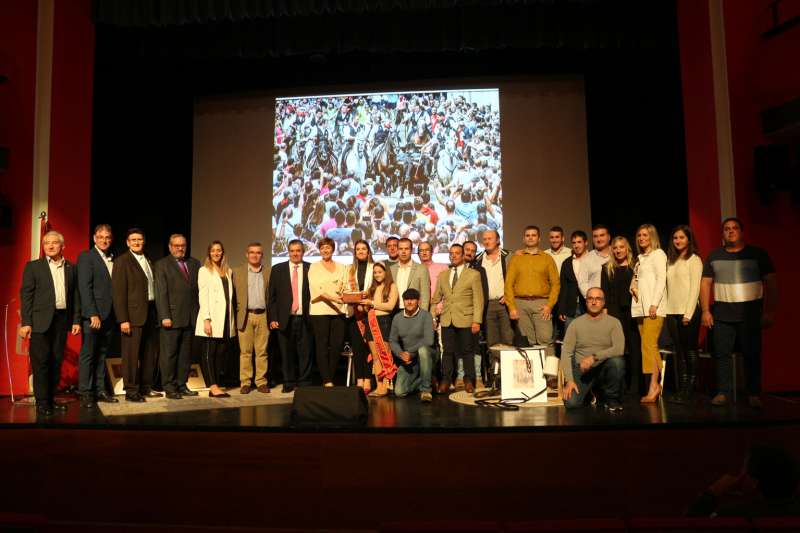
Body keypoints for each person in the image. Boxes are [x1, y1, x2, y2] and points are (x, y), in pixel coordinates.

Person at [701, 217, 776, 408]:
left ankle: (753, 393)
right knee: (721, 354)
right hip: (722, 316)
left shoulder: (757, 254)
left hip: (750, 315)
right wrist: (705, 311)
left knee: (752, 354)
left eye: (735, 228)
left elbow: (771, 283)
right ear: (723, 233)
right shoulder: (714, 256)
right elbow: (706, 283)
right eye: (726, 229)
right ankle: (723, 392)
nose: (731, 231)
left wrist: (769, 311)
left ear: (741, 232)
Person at [19, 231, 81, 416]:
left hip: (61, 320)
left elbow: (75, 296)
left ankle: (51, 399)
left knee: (56, 361)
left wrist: (76, 320)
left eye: (54, 243)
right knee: (41, 362)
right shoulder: (33, 267)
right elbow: (26, 296)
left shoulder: (71, 267)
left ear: (63, 246)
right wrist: (26, 322)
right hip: (39, 321)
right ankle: (42, 403)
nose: (50, 246)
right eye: (47, 243)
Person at [112, 228, 161, 402]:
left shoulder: (148, 259)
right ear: (127, 242)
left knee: (149, 353)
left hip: (150, 311)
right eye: (133, 240)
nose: (137, 242)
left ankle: (146, 387)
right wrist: (123, 319)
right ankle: (131, 391)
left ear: (144, 241)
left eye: (139, 239)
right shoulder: (122, 261)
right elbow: (118, 294)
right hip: (132, 316)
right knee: (131, 355)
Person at [688, 445, 800, 517]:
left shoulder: (732, 515)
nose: (740, 476)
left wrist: (713, 491)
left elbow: (689, 526)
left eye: (744, 469)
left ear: (754, 483)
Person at [561, 287, 625, 412]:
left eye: (598, 299)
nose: (594, 302)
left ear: (604, 302)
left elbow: (619, 348)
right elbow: (566, 352)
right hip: (583, 371)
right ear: (586, 302)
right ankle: (590, 392)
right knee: (571, 403)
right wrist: (569, 380)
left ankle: (611, 398)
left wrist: (594, 357)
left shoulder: (614, 322)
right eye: (590, 298)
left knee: (617, 362)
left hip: (604, 368)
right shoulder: (575, 324)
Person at [431, 243, 484, 394]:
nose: (453, 255)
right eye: (451, 253)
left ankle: (468, 380)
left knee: (467, 351)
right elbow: (436, 298)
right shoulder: (443, 275)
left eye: (457, 253)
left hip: (466, 318)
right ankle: (446, 380)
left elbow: (478, 300)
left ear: (462, 256)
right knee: (447, 351)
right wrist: (434, 316)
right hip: (448, 318)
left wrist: (477, 321)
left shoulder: (473, 274)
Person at [154, 234, 201, 399]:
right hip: (171, 318)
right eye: (176, 245)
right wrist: (164, 316)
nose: (180, 248)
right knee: (169, 355)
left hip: (190, 318)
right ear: (170, 246)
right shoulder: (161, 265)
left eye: (183, 245)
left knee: (185, 355)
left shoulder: (194, 263)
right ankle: (169, 386)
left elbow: (197, 292)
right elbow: (161, 293)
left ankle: (182, 384)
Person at [76, 224, 118, 408]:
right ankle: (85, 392)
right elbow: (85, 288)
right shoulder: (87, 257)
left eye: (107, 237)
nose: (104, 240)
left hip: (109, 314)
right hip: (93, 316)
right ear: (94, 238)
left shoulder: (113, 257)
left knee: (102, 354)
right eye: (101, 237)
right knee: (88, 354)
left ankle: (100, 389)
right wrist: (92, 313)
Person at [504, 226, 560, 359]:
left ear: (539, 238)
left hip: (542, 304)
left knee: (545, 340)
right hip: (520, 304)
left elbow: (555, 284)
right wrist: (511, 307)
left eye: (533, 235)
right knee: (527, 341)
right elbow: (508, 285)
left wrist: (549, 305)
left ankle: (550, 376)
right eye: (527, 235)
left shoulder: (547, 258)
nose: (530, 237)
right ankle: (534, 378)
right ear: (524, 239)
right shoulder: (516, 258)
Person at [664, 225, 703, 404]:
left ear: (689, 240)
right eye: (675, 238)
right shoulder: (671, 261)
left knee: (690, 351)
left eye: (681, 237)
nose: (677, 241)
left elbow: (695, 288)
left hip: (688, 312)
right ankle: (681, 390)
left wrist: (688, 313)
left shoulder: (694, 260)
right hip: (672, 312)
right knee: (679, 351)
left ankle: (689, 390)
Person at [268, 239, 312, 393]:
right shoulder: (277, 269)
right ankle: (288, 382)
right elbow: (272, 297)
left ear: (303, 252)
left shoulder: (310, 268)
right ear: (288, 252)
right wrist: (273, 318)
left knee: (305, 352)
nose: (295, 253)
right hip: (284, 318)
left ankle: (304, 382)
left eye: (298, 250)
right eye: (292, 250)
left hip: (305, 318)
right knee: (286, 352)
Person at [631, 224, 668, 404]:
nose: (641, 238)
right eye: (639, 235)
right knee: (646, 347)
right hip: (641, 309)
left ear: (652, 236)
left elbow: (661, 279)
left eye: (645, 235)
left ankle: (655, 385)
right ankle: (651, 385)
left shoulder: (658, 254)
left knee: (650, 345)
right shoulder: (640, 258)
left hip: (654, 308)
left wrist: (654, 304)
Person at [601, 236, 642, 397]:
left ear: (627, 249)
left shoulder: (635, 267)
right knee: (618, 350)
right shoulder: (607, 268)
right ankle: (619, 385)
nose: (618, 250)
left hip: (632, 312)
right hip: (613, 313)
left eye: (621, 247)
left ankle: (635, 386)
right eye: (615, 248)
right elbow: (604, 293)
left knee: (634, 349)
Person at [195, 241, 235, 398]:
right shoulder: (204, 271)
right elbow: (202, 295)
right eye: (213, 250)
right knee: (209, 352)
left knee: (220, 353)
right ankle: (212, 385)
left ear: (223, 252)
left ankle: (216, 383)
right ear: (209, 253)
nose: (216, 253)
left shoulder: (228, 271)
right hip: (211, 318)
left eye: (219, 250)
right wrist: (206, 319)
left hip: (225, 319)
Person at [232, 242, 271, 394]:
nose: (255, 255)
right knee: (245, 352)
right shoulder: (237, 272)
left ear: (262, 255)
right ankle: (245, 382)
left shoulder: (269, 272)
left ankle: (261, 382)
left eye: (258, 252)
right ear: (246, 255)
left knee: (262, 352)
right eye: (252, 252)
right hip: (245, 316)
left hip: (263, 316)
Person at [308, 237, 348, 386]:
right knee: (322, 345)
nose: (325, 250)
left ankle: (330, 375)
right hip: (320, 311)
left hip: (339, 311)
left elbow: (345, 286)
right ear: (319, 250)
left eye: (328, 247)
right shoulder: (314, 267)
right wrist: (334, 298)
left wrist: (344, 295)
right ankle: (327, 379)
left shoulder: (342, 267)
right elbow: (317, 289)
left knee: (337, 345)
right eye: (322, 248)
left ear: (333, 249)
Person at [359, 262, 399, 396]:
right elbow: (367, 308)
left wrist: (372, 303)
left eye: (380, 272)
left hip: (384, 322)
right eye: (375, 272)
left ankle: (387, 386)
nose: (377, 275)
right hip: (371, 322)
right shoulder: (372, 288)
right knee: (375, 357)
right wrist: (363, 303)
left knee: (385, 355)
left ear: (386, 272)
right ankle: (379, 386)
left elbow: (390, 306)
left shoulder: (392, 286)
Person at [390, 288, 435, 402]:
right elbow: (393, 341)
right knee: (399, 392)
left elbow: (429, 340)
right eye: (406, 299)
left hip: (427, 357)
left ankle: (426, 390)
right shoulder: (397, 318)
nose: (409, 302)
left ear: (418, 301)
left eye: (412, 299)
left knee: (423, 350)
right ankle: (427, 379)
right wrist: (401, 354)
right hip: (409, 360)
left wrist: (410, 353)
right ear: (403, 301)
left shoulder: (426, 316)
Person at [473, 229, 513, 348]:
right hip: (487, 305)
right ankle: (494, 366)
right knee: (492, 341)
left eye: (490, 238)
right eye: (484, 239)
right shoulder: (478, 259)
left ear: (497, 240)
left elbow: (517, 278)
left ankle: (507, 366)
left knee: (508, 338)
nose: (486, 241)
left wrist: (509, 296)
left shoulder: (509, 256)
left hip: (504, 303)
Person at [345, 239, 375, 392]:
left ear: (368, 252)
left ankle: (368, 379)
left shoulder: (375, 268)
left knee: (369, 348)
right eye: (358, 249)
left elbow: (379, 288)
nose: (361, 251)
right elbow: (344, 288)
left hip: (371, 313)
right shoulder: (349, 270)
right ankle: (360, 379)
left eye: (364, 248)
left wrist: (367, 296)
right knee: (357, 348)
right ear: (355, 253)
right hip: (354, 314)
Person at [558, 230, 589, 334]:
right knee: (571, 339)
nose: (576, 245)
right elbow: (563, 287)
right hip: (571, 308)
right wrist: (561, 308)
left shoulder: (593, 259)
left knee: (589, 338)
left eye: (579, 242)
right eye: (574, 243)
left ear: (586, 243)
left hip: (589, 306)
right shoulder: (567, 263)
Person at [390, 237, 431, 311]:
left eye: (406, 249)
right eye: (401, 249)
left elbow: (425, 295)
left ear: (411, 250)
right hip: (394, 310)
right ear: (397, 250)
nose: (403, 251)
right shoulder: (391, 269)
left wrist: (423, 316)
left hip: (415, 311)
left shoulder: (421, 269)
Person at [578, 224, 612, 298]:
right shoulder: (587, 258)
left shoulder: (617, 254)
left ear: (609, 237)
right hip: (596, 303)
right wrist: (592, 298)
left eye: (602, 235)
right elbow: (582, 283)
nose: (599, 239)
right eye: (595, 236)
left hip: (617, 301)